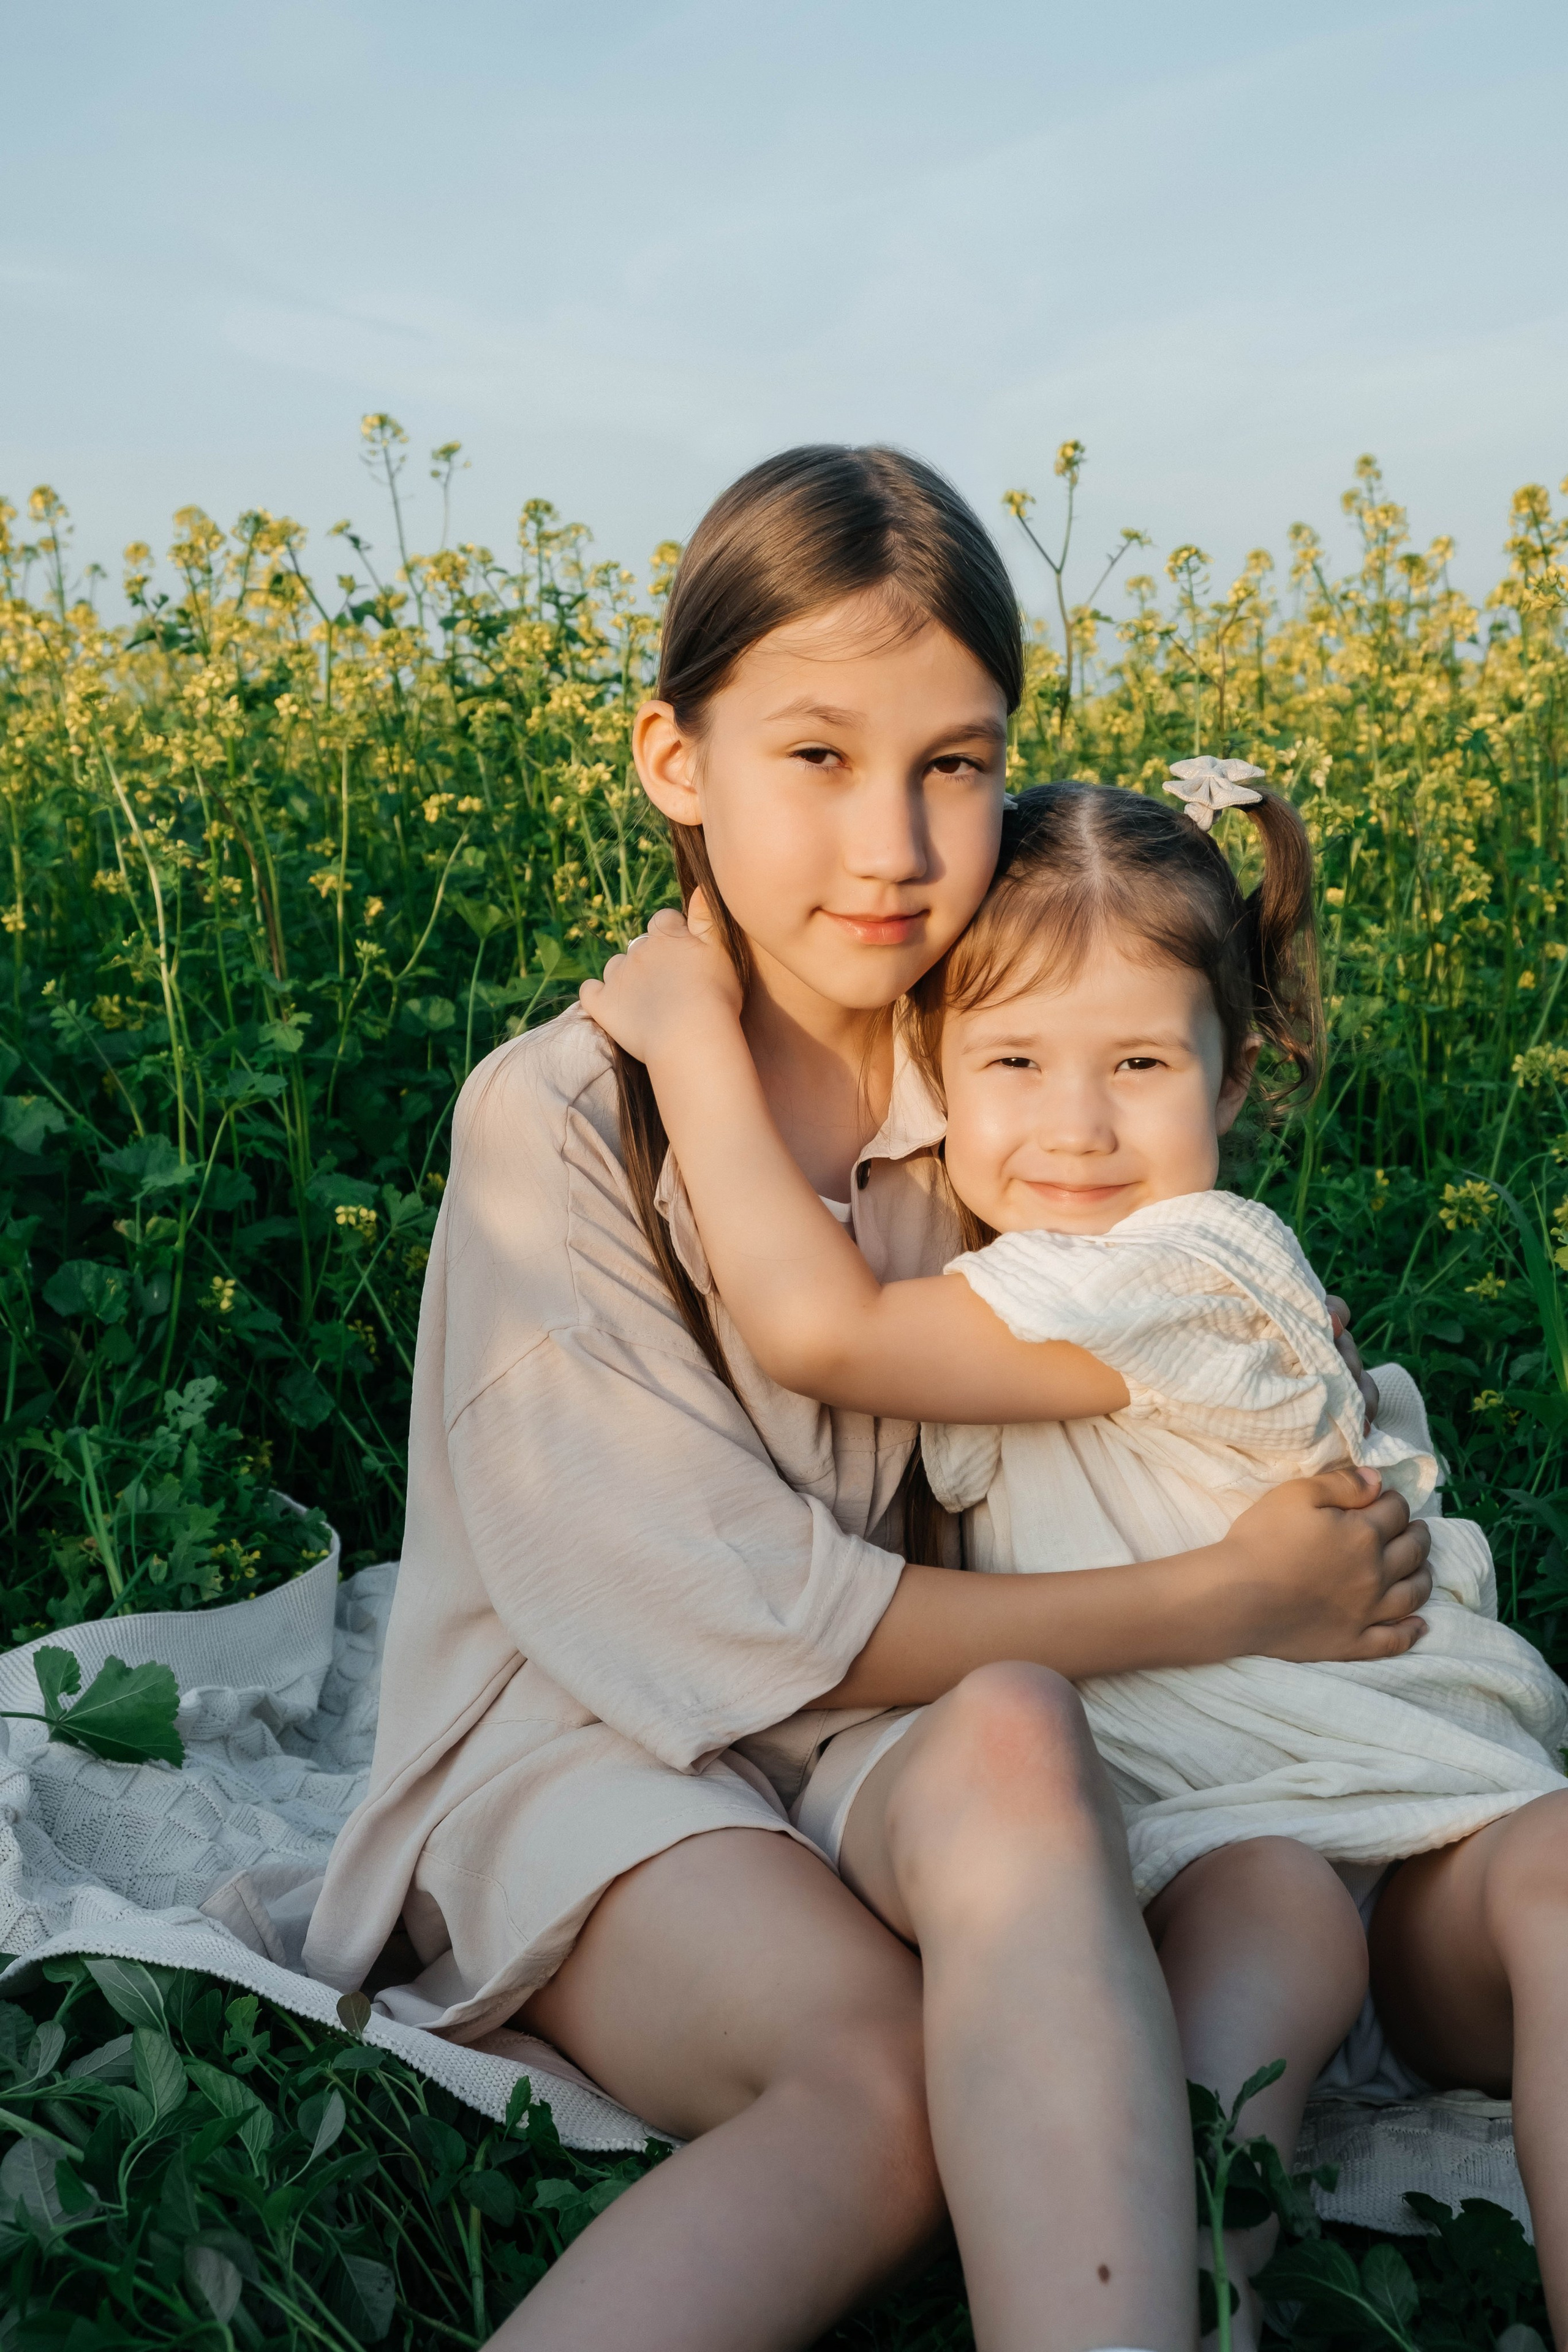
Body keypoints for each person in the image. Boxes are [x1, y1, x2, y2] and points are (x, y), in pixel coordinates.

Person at [304, 446, 1431, 2352]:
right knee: (891, 2086)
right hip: (598, 1744)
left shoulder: (990, 1079)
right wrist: (1223, 1602)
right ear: (678, 762)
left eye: (958, 764)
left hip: (882, 1738)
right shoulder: (563, 1118)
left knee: (1014, 1736)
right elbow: (725, 1617)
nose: (895, 846)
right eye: (817, 758)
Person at [580, 771, 1568, 2339]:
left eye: (1135, 1064)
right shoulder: (1026, 1271)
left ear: (1232, 1079)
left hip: (1424, 1812)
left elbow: (816, 1328)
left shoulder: (1172, 1268)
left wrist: (695, 1044)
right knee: (1260, 1946)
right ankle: (1168, 2301)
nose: (1075, 1124)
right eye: (1015, 1062)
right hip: (1227, 1848)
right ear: (936, 1070)